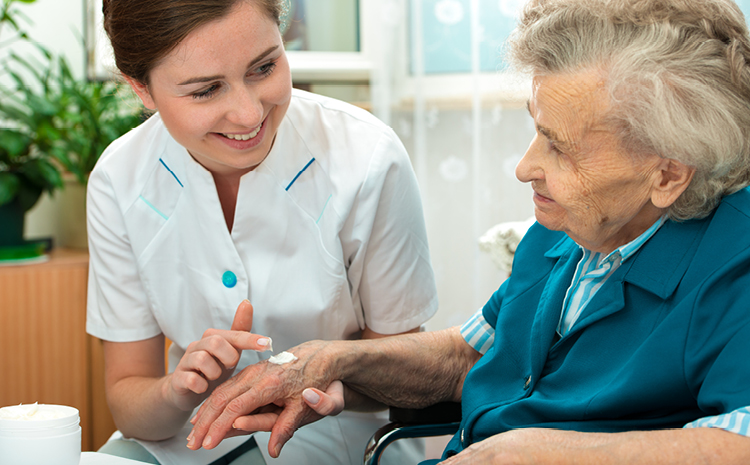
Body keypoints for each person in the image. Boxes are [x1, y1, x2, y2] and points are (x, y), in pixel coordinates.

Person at [185, 0, 750, 463]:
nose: (525, 166)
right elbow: (470, 356)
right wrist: (330, 361)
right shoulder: (572, 227)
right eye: (536, 130)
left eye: (560, 146)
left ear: (668, 173)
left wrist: (536, 454)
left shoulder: (734, 264)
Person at [85, 1, 438, 464]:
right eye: (206, 90)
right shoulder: (120, 178)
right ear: (141, 88)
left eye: (264, 67)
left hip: (343, 441)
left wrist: (330, 382)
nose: (249, 114)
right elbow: (130, 406)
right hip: (187, 443)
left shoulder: (367, 158)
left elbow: (410, 377)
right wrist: (177, 390)